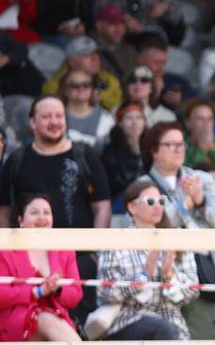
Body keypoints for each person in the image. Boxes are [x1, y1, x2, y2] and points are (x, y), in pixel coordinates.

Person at [0, 193, 130, 345]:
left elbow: (74, 296)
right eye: (35, 212)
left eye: (46, 212)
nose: (42, 217)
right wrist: (38, 291)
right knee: (48, 318)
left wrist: (56, 289)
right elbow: (2, 294)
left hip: (55, 327)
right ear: (20, 220)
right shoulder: (7, 247)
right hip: (10, 323)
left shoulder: (62, 247)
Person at [97, 179, 213, 345]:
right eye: (150, 201)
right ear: (131, 207)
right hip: (124, 323)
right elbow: (106, 293)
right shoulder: (116, 240)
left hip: (168, 326)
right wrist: (145, 276)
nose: (158, 206)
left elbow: (190, 292)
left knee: (157, 332)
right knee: (156, 329)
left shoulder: (174, 238)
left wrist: (170, 276)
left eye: (161, 201)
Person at [137, 121, 215, 345]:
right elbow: (157, 225)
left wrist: (200, 198)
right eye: (171, 144)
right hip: (161, 278)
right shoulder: (144, 186)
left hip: (202, 273)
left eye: (182, 144)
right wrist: (184, 205)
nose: (179, 150)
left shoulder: (201, 179)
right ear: (154, 150)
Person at [0, 95, 111, 230]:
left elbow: (102, 207)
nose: (54, 122)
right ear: (33, 122)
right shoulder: (16, 159)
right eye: (46, 116)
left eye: (59, 116)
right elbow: (4, 212)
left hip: (80, 249)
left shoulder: (86, 155)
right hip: (31, 249)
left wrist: (97, 248)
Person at [43, 35, 123, 112]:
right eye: (87, 54)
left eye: (96, 53)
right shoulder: (54, 85)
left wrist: (101, 97)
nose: (94, 58)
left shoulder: (108, 78)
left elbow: (120, 105)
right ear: (72, 61)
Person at [100, 100, 146, 208]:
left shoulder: (151, 148)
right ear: (120, 123)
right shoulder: (110, 152)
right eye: (129, 118)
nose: (135, 122)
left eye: (139, 118)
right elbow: (114, 185)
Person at [60, 70, 114, 148]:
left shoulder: (106, 119)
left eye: (86, 85)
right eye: (74, 85)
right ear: (65, 89)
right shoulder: (53, 115)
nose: (81, 88)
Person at [90, 3, 137, 81]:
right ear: (99, 25)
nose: (119, 29)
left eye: (122, 23)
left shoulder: (130, 51)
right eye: (112, 23)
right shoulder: (86, 51)